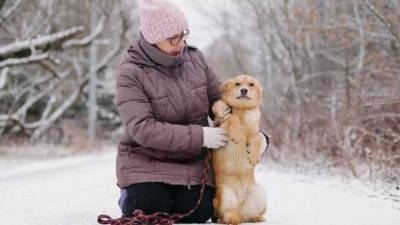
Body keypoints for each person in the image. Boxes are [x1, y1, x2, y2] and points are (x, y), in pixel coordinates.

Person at [114, 0, 269, 223]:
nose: (181, 42)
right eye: (173, 38)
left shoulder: (196, 59)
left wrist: (255, 135)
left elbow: (224, 102)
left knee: (198, 212)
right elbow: (143, 129)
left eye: (183, 34)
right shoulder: (131, 72)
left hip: (193, 163)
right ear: (152, 38)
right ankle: (131, 194)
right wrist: (202, 136)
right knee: (148, 207)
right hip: (146, 160)